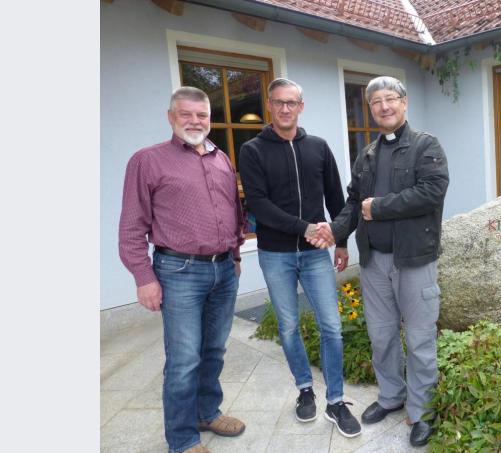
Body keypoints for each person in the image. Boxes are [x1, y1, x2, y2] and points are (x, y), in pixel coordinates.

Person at [309, 76, 449, 447]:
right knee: (382, 336)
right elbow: (355, 203)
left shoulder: (426, 146)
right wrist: (334, 231)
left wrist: (380, 207)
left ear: (404, 103)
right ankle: (391, 396)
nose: (384, 107)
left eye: (390, 99)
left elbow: (432, 192)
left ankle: (422, 411)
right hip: (374, 262)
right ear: (370, 109)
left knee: (419, 340)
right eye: (376, 102)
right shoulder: (367, 154)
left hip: (415, 260)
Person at [119, 86, 246, 453]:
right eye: (186, 114)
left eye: (202, 115)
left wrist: (236, 256)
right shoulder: (147, 161)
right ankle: (182, 439)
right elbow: (131, 226)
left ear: (210, 118)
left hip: (223, 270)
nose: (195, 121)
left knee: (214, 350)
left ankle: (207, 411)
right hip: (178, 271)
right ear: (171, 116)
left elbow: (234, 213)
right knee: (184, 358)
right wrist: (144, 278)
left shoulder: (222, 159)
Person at [238, 78, 361, 437]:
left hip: (314, 255)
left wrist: (340, 240)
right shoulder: (253, 151)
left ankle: (335, 401)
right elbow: (259, 205)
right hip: (275, 254)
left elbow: (336, 198)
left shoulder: (319, 148)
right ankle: (305, 389)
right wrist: (305, 227)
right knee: (288, 326)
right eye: (279, 102)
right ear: (270, 106)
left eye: (292, 102)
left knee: (332, 326)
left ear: (301, 107)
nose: (285, 109)